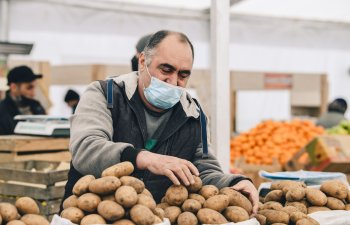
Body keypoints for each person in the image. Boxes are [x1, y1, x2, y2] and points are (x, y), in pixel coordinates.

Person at [63, 30, 259, 214]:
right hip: (91, 214)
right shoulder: (105, 94)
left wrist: (234, 182)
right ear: (142, 62)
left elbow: (204, 169)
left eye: (183, 75)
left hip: (154, 217)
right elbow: (85, 147)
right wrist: (145, 158)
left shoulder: (195, 116)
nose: (173, 81)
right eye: (166, 69)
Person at [0, 66, 46, 135]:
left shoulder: (37, 106)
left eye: (34, 87)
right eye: (29, 88)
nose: (33, 94)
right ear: (14, 87)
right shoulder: (2, 111)